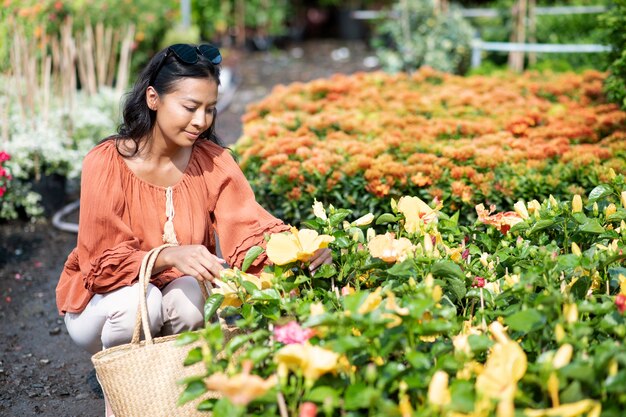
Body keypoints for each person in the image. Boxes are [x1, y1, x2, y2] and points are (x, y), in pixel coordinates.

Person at [55, 43, 332, 417]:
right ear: (153, 98)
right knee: (144, 302)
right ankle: (122, 399)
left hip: (165, 294)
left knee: (190, 292)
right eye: (190, 107)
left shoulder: (212, 162)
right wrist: (167, 255)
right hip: (102, 305)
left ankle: (171, 394)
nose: (201, 121)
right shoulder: (107, 162)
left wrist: (300, 251)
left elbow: (249, 229)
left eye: (210, 109)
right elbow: (102, 265)